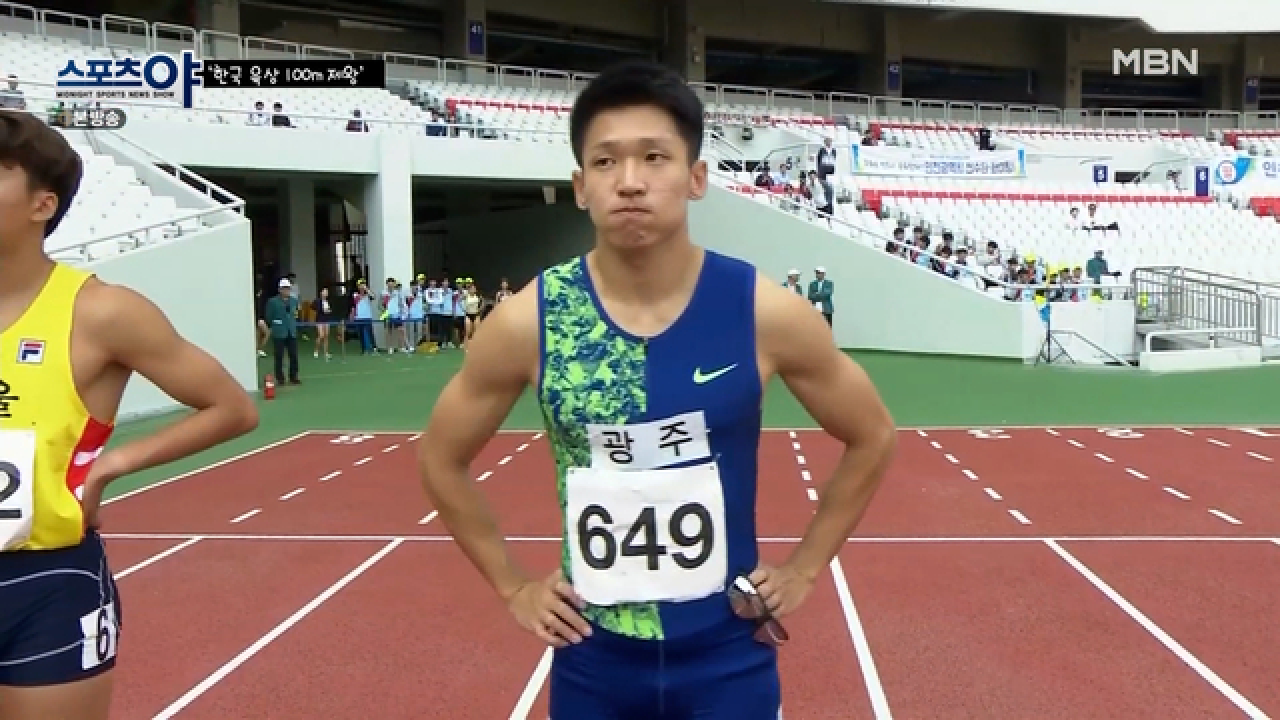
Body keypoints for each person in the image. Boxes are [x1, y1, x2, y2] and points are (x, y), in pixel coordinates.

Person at [417, 61, 896, 719]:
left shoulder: (763, 312)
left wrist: (806, 568)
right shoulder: (531, 321)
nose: (632, 182)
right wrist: (514, 589)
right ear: (581, 188)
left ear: (696, 178)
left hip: (729, 657)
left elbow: (872, 434)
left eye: (655, 157)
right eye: (607, 163)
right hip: (593, 660)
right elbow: (440, 457)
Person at [0, 111, 258, 719]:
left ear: (42, 204)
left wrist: (111, 465)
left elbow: (230, 407)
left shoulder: (102, 313)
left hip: (46, 583)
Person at [265, 277, 301, 384]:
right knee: (279, 356)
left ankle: (293, 376)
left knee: (293, 355)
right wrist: (276, 323)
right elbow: (269, 316)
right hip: (279, 331)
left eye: (288, 288)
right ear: (280, 289)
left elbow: (296, 314)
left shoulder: (294, 300)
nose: (286, 290)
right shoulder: (273, 302)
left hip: (291, 331)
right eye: (284, 288)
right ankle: (280, 377)